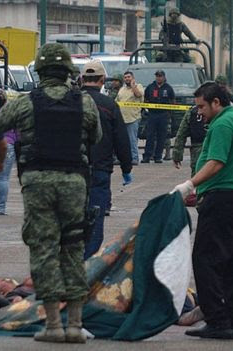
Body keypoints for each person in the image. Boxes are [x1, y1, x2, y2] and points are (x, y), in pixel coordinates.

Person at [0, 43, 102, 344]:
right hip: (74, 182)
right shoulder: (84, 102)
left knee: (44, 250)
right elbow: (96, 136)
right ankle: (76, 325)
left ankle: (52, 324)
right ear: (69, 72)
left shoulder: (26, 102)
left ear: (39, 71)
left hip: (38, 183)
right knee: (73, 248)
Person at [172, 82, 233, 340]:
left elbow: (216, 162)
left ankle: (216, 319)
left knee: (205, 259)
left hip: (221, 200)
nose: (200, 113)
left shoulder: (222, 125)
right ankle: (230, 322)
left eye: (202, 106)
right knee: (232, 263)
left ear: (216, 102)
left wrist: (190, 184)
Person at [80, 60, 133, 259]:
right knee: (95, 222)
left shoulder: (71, 101)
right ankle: (87, 265)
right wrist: (126, 168)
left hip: (72, 171)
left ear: (82, 79)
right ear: (102, 80)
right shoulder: (110, 105)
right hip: (99, 170)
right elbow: (121, 139)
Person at [142, 70, 175, 163]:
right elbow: (145, 99)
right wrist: (146, 109)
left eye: (160, 76)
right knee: (150, 136)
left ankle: (158, 157)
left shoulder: (168, 88)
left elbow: (172, 100)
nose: (158, 78)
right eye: (157, 76)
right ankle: (147, 156)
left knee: (161, 136)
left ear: (164, 77)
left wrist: (169, 113)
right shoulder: (150, 87)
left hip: (163, 115)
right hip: (152, 114)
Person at [116, 71, 144, 165]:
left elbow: (139, 95)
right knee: (121, 140)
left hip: (133, 118)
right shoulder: (122, 89)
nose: (127, 79)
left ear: (133, 78)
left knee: (132, 140)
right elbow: (117, 101)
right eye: (125, 77)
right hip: (122, 118)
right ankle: (122, 158)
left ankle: (134, 158)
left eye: (129, 77)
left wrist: (133, 86)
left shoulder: (138, 86)